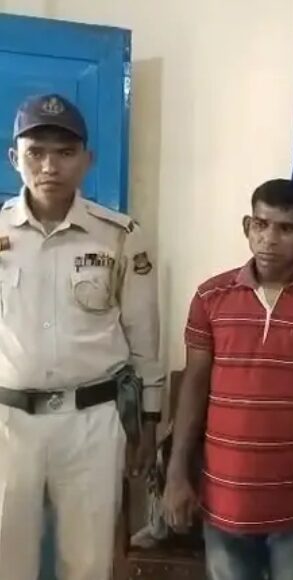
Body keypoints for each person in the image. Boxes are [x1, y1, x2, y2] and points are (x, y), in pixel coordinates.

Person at [0, 93, 163, 580]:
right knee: (6, 559)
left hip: (92, 421)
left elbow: (143, 336)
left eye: (65, 153)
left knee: (88, 563)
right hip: (8, 423)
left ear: (88, 160)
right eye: (36, 152)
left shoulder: (119, 235)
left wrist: (148, 422)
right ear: (14, 157)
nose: (50, 166)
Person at [162, 179, 293, 580]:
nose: (269, 239)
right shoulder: (211, 297)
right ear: (247, 226)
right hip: (224, 496)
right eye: (261, 224)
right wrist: (177, 473)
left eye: (286, 228)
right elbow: (194, 387)